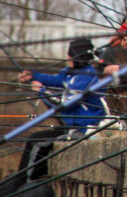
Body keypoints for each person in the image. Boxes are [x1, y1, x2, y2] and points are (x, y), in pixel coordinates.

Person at [13, 39, 103, 183]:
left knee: (36, 141)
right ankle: (22, 183)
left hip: (82, 129)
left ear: (78, 57)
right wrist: (33, 76)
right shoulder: (70, 73)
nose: (67, 58)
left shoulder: (87, 77)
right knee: (35, 139)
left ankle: (24, 185)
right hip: (69, 126)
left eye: (70, 55)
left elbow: (66, 105)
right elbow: (56, 80)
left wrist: (42, 91)